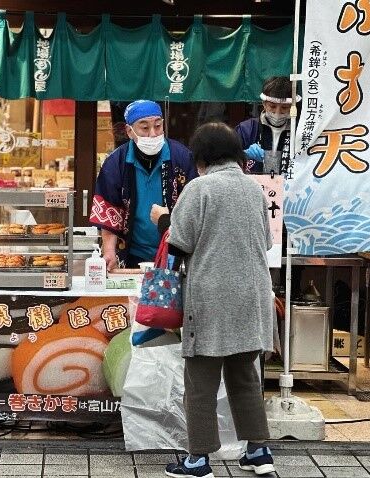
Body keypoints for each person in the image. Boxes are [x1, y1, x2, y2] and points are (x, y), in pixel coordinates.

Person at [164, 122, 275, 478]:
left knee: (200, 381)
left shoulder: (200, 188)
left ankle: (197, 460)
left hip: (211, 298)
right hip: (254, 294)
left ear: (202, 158)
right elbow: (266, 244)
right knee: (246, 375)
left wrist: (162, 219)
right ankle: (258, 451)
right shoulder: (255, 191)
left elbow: (180, 244)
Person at [89, 100, 197, 271]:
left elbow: (194, 208)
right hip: (132, 253)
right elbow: (109, 211)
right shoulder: (116, 163)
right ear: (129, 131)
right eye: (144, 128)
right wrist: (109, 251)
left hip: (175, 252)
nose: (153, 134)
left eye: (158, 126)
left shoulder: (182, 158)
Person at [235, 76, 299, 175]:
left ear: (292, 107)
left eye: (284, 107)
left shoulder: (299, 131)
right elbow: (227, 161)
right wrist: (243, 154)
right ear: (264, 104)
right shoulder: (246, 129)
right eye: (272, 106)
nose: (277, 112)